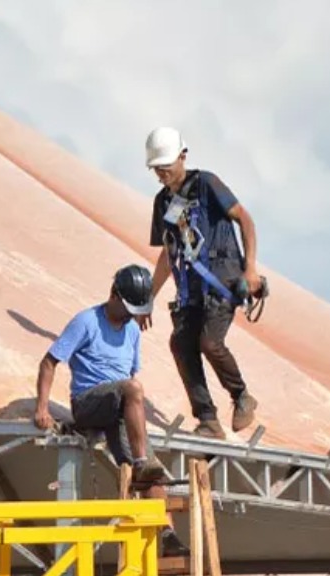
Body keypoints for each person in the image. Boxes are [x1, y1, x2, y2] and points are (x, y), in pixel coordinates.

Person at [33, 264, 188, 555]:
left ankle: (166, 532)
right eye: (128, 307)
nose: (131, 314)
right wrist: (42, 408)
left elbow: (128, 375)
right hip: (88, 403)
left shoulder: (132, 331)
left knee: (153, 472)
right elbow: (48, 362)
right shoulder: (86, 321)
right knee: (133, 388)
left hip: (117, 408)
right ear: (113, 295)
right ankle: (141, 461)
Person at [139, 126, 261, 440]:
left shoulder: (206, 184)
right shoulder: (163, 203)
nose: (161, 172)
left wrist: (250, 269)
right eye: (157, 168)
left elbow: (245, 219)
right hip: (190, 288)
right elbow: (168, 253)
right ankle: (208, 420)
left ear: (182, 156)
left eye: (165, 165)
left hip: (223, 279)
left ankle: (242, 396)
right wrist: (149, 296)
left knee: (209, 341)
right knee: (181, 343)